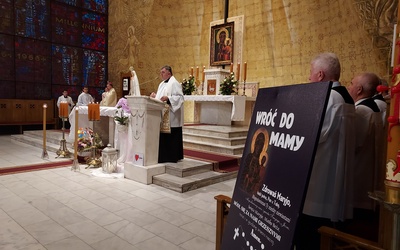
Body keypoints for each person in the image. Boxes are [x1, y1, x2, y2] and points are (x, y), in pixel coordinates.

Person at [294, 52, 356, 250]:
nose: (309, 77)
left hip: (319, 180)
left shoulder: (327, 98)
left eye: (311, 73)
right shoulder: (345, 97)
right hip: (336, 174)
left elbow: (310, 136)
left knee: (310, 236)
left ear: (320, 75)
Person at [346, 72, 383, 237]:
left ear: (359, 89)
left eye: (351, 83)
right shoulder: (375, 108)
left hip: (359, 175)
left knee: (356, 227)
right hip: (370, 174)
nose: (349, 86)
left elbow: (353, 144)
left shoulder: (361, 110)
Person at [150, 65, 184, 163]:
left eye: (163, 72)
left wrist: (169, 99)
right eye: (161, 72)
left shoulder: (174, 83)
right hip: (163, 113)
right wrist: (155, 96)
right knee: (164, 136)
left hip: (172, 116)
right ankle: (164, 156)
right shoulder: (161, 84)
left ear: (169, 73)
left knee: (171, 136)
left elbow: (180, 98)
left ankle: (172, 156)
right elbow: (160, 98)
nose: (161, 74)